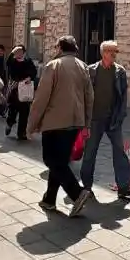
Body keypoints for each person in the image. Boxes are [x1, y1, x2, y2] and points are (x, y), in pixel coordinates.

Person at [29, 35, 94, 216]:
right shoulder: (83, 66)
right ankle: (49, 199)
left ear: (60, 48)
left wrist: (32, 125)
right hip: (75, 122)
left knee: (52, 160)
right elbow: (90, 97)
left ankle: (77, 193)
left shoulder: (53, 65)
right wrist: (86, 123)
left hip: (54, 122)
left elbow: (41, 99)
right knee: (60, 162)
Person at [82, 41, 130, 196]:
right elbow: (83, 95)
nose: (114, 54)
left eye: (115, 51)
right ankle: (86, 187)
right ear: (103, 53)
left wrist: (121, 115)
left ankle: (124, 186)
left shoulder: (120, 72)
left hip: (113, 119)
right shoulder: (91, 71)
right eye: (111, 51)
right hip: (94, 119)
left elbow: (123, 97)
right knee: (90, 153)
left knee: (120, 151)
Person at [6, 45, 39, 140]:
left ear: (24, 52)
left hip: (25, 88)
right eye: (17, 51)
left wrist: (30, 77)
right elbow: (7, 63)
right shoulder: (12, 61)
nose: (18, 53)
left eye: (20, 51)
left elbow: (34, 71)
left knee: (24, 111)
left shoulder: (28, 61)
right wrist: (12, 52)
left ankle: (21, 133)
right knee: (12, 109)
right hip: (15, 88)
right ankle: (10, 123)